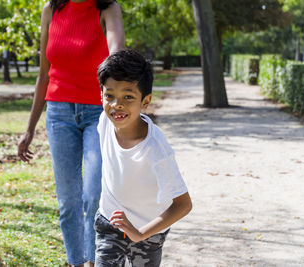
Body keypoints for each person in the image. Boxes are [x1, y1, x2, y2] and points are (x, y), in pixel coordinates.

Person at [17, 0, 125, 266]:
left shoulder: (107, 8)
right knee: (68, 202)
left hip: (97, 113)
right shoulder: (51, 10)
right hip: (58, 114)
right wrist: (29, 129)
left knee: (93, 194)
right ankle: (76, 262)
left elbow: (116, 52)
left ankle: (92, 261)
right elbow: (44, 74)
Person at [95, 49, 192, 266]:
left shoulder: (156, 148)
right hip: (110, 222)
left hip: (149, 230)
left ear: (145, 101)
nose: (116, 104)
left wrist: (140, 233)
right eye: (109, 95)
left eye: (128, 96)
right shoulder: (104, 121)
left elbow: (183, 204)